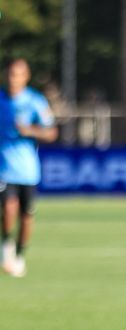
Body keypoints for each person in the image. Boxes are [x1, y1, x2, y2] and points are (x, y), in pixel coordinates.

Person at [0, 58, 58, 278]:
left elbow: (51, 132)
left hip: (28, 171)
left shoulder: (35, 101)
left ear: (26, 77)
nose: (13, 78)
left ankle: (19, 255)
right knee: (8, 208)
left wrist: (31, 131)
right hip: (3, 168)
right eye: (11, 74)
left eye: (18, 74)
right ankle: (5, 247)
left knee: (26, 217)